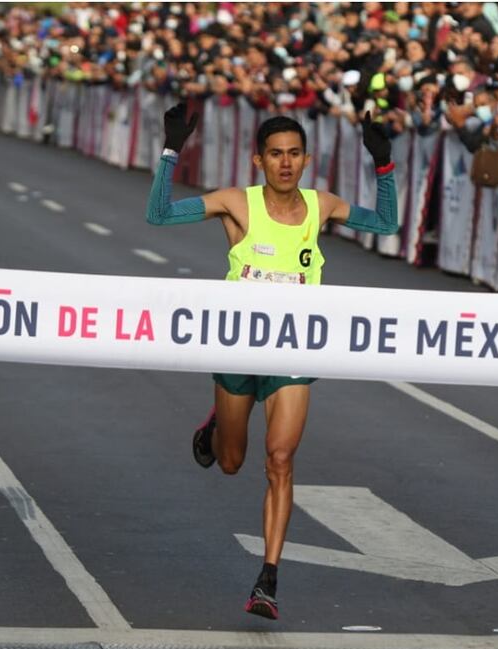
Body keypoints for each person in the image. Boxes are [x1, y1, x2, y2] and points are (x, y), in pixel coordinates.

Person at [144, 102, 399, 620]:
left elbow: (386, 224)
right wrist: (171, 150)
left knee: (280, 459)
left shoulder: (321, 206)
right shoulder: (236, 202)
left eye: (294, 154)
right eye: (276, 154)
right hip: (238, 347)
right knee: (231, 462)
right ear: (258, 160)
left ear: (306, 159)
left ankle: (268, 579)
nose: (286, 163)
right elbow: (160, 215)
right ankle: (217, 427)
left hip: (294, 350)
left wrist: (383, 163)